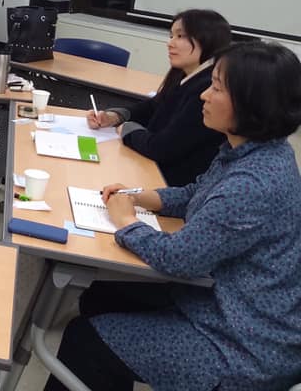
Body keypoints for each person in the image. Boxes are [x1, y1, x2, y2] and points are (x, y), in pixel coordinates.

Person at [46, 41, 301, 391]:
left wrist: (126, 222)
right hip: (227, 305)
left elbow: (178, 259)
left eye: (217, 88)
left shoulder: (252, 184)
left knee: (84, 340)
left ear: (251, 103)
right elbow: (197, 192)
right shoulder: (255, 150)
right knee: (102, 294)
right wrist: (139, 197)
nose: (204, 95)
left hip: (243, 344)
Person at [88, 9, 232, 186]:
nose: (170, 43)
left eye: (180, 36)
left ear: (207, 39)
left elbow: (163, 148)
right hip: (153, 167)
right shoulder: (186, 74)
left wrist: (127, 129)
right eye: (171, 36)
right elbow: (154, 106)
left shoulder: (206, 88)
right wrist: (115, 116)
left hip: (173, 183)